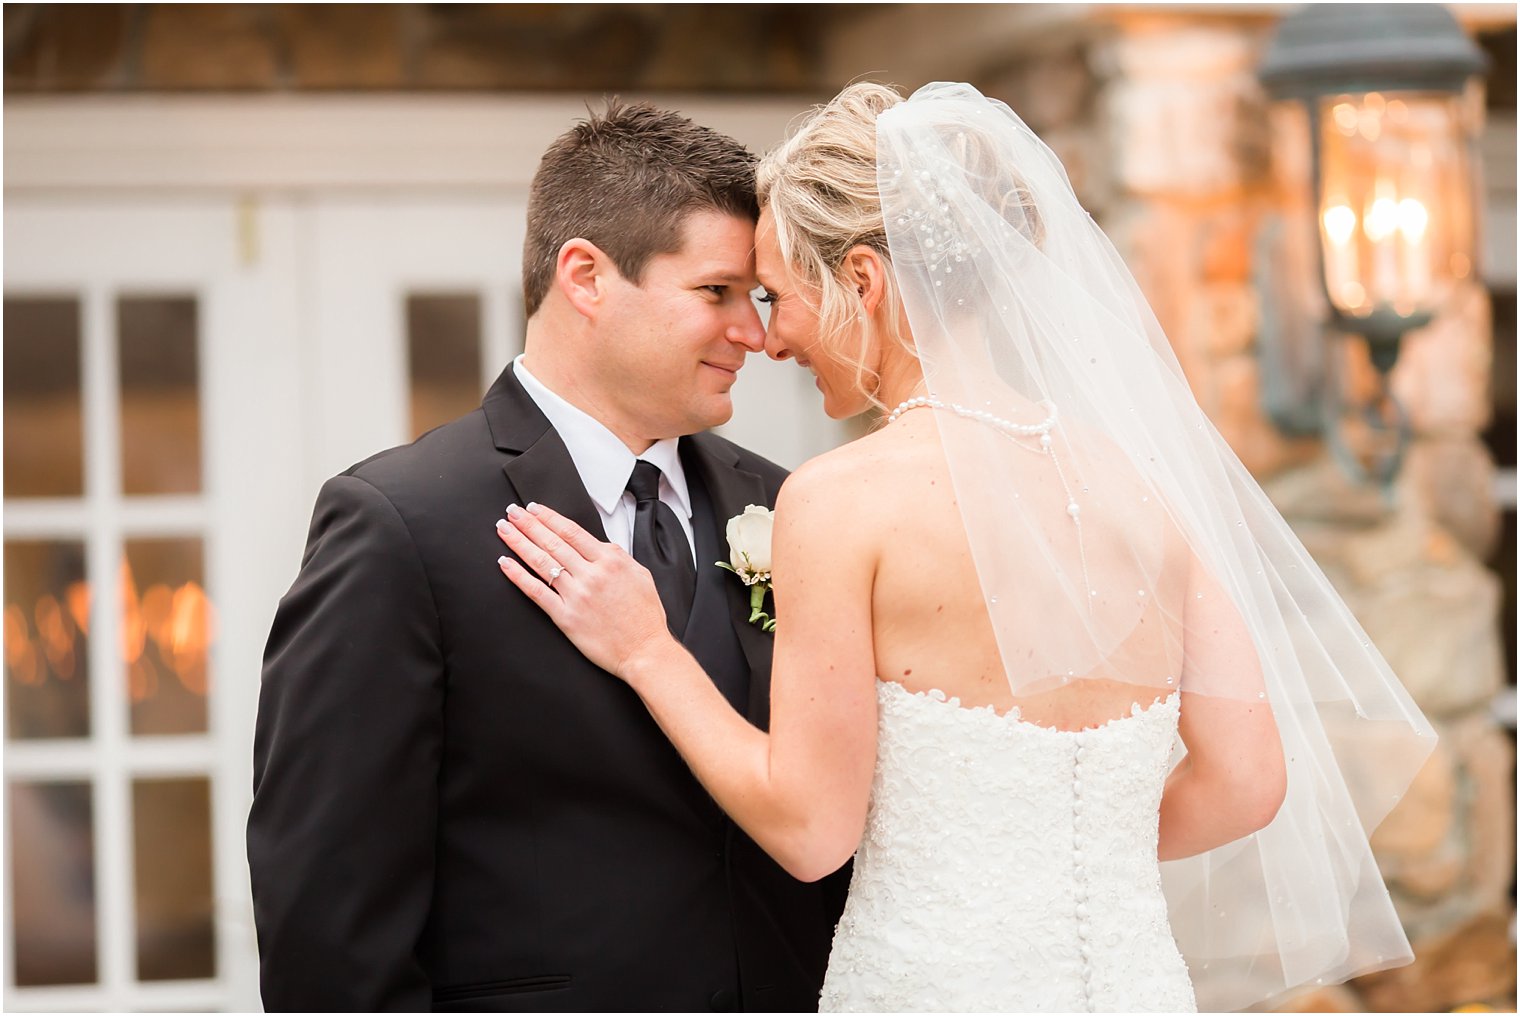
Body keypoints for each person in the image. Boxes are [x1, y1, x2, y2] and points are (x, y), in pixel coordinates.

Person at [496, 82, 1438, 1012]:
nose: (769, 336)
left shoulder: (841, 500)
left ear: (861, 282)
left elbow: (811, 831)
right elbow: (1246, 783)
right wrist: (1068, 851)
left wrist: (649, 652)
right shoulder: (1146, 487)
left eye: (778, 296)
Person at [247, 100, 848, 1012]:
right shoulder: (400, 524)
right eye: (715, 292)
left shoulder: (786, 504)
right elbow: (328, 923)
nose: (756, 336)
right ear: (586, 277)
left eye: (757, 300)